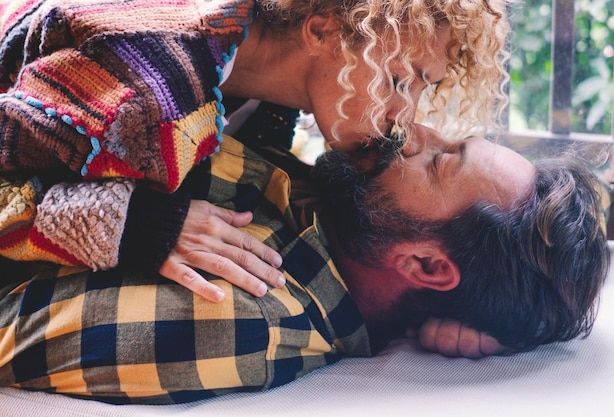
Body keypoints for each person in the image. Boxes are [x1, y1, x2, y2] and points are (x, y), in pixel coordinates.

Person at [0, 124, 610, 404]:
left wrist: (118, 223)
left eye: (439, 161)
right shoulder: (324, 207)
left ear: (424, 265)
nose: (414, 131)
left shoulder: (239, 320)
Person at [0, 0, 511, 302]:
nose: (407, 117)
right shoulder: (153, 79)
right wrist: (136, 225)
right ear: (321, 29)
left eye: (425, 87)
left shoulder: (257, 93)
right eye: (401, 80)